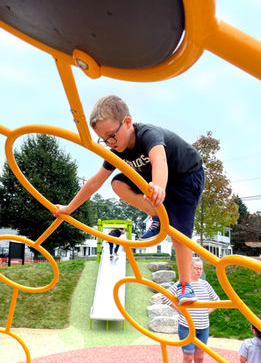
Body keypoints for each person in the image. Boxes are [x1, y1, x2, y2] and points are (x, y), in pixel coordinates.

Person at [53, 95, 204, 305]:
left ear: (127, 122)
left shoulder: (148, 135)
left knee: (179, 235)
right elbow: (96, 182)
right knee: (117, 183)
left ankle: (186, 285)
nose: (109, 143)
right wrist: (69, 208)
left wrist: (158, 186)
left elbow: (159, 160)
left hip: (186, 174)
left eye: (111, 136)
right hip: (153, 176)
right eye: (103, 140)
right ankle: (156, 215)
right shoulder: (116, 149)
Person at [163, 258, 220, 363]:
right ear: (189, 269)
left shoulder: (205, 284)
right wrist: (180, 310)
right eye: (196, 268)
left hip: (203, 327)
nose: (199, 271)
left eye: (200, 268)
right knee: (188, 358)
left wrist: (206, 312)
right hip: (187, 327)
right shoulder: (183, 285)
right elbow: (165, 297)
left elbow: (216, 300)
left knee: (200, 359)